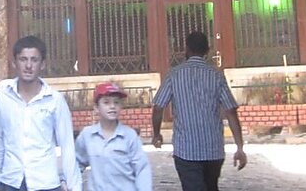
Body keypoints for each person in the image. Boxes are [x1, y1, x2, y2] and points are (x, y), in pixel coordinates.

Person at [151, 31, 247, 191]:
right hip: (213, 151)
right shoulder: (216, 76)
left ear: (186, 49)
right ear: (207, 50)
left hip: (186, 151)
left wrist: (156, 134)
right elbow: (231, 112)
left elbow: (158, 108)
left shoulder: (174, 75)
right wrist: (240, 148)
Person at [0, 35, 82, 191]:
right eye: (23, 59)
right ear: (14, 63)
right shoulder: (2, 97)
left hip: (45, 183)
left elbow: (67, 146)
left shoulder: (54, 100)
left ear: (42, 64)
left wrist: (74, 186)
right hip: (11, 181)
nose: (28, 65)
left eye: (34, 60)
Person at [75, 82, 152, 191]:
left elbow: (142, 169)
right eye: (106, 102)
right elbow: (76, 162)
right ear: (96, 108)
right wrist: (66, 180)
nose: (112, 106)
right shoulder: (87, 135)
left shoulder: (129, 136)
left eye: (116, 102)